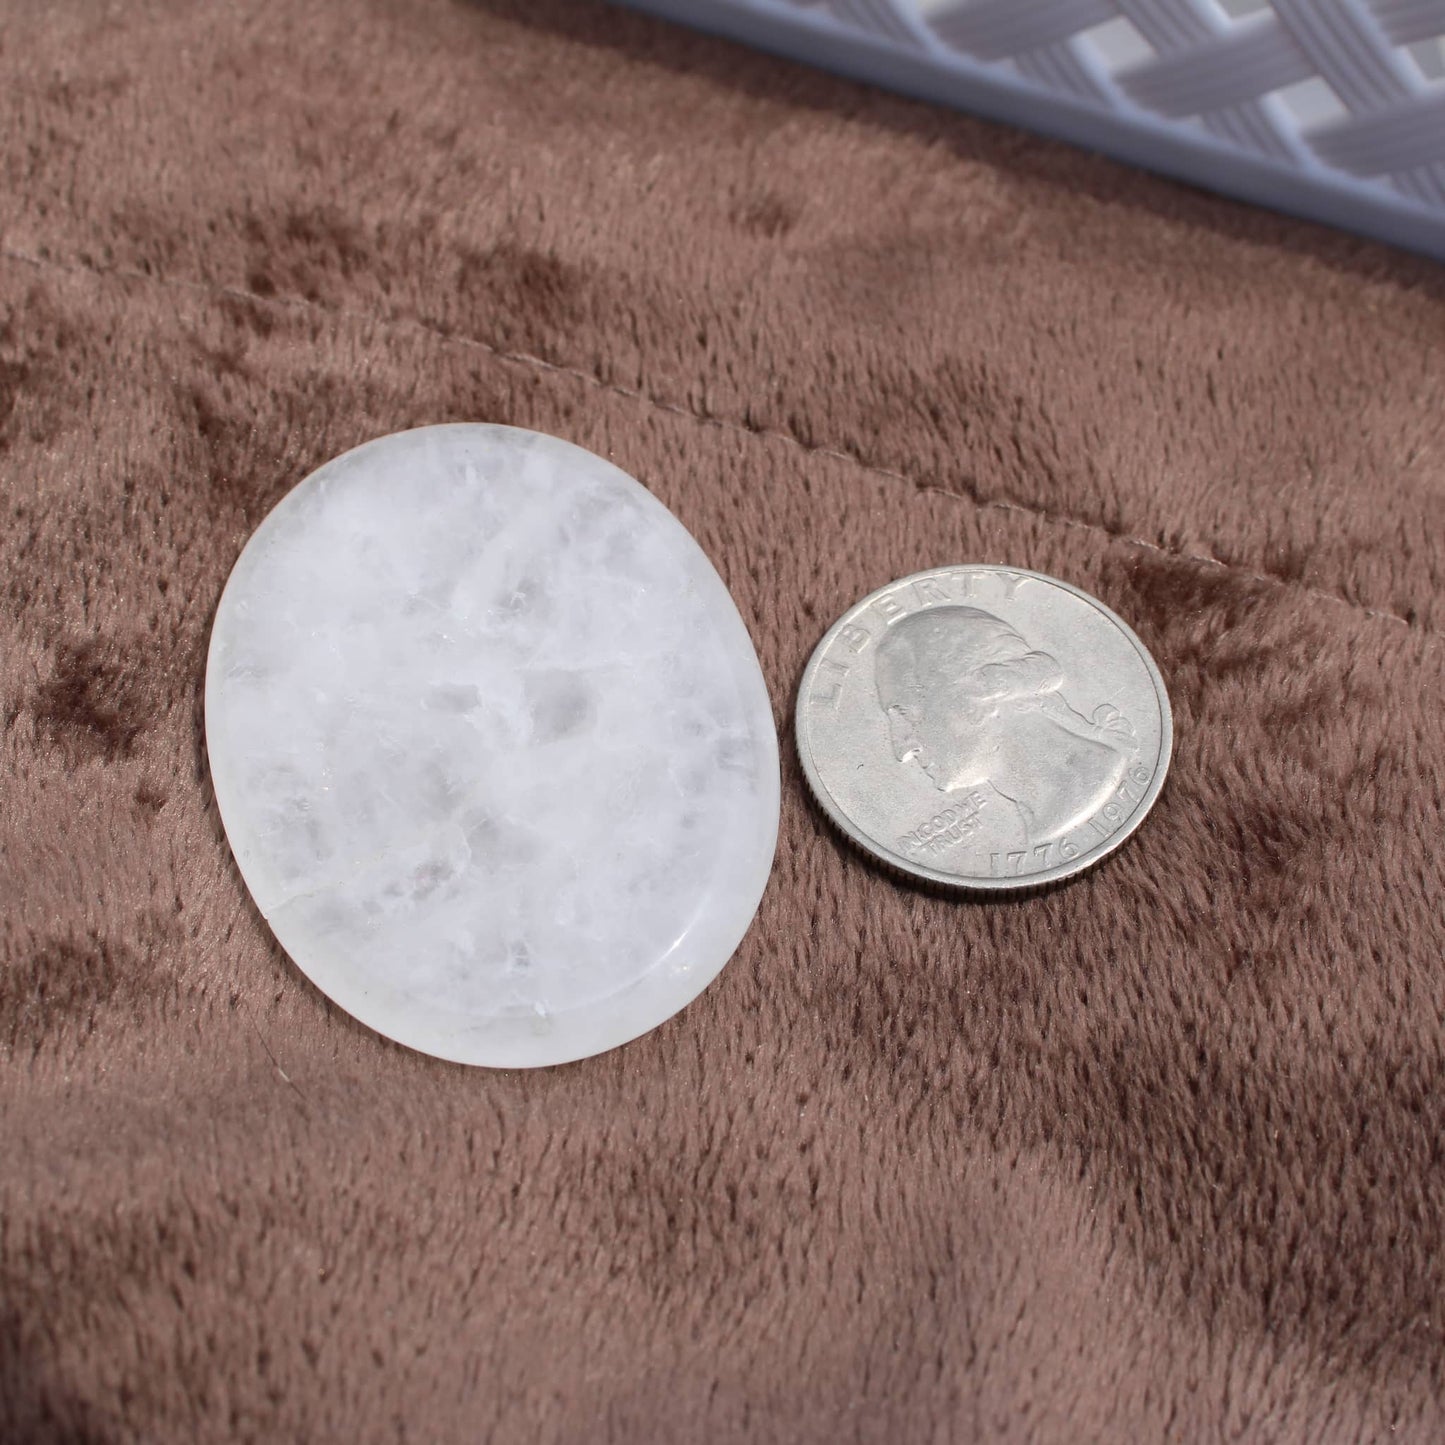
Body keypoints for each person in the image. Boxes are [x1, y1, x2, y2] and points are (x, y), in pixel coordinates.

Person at [873, 605, 1137, 844]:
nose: (902, 750)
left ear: (981, 694)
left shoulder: (1081, 791)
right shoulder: (1043, 821)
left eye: (906, 714)